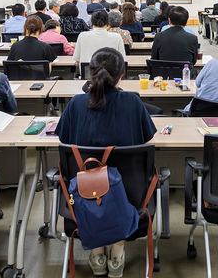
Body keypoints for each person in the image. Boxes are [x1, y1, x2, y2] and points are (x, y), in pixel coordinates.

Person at [55, 47, 156, 277]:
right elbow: (147, 138)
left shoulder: (76, 104)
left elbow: (63, 139)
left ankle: (97, 252)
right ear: (122, 74)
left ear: (90, 73)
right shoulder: (133, 103)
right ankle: (117, 253)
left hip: (85, 193)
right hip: (128, 194)